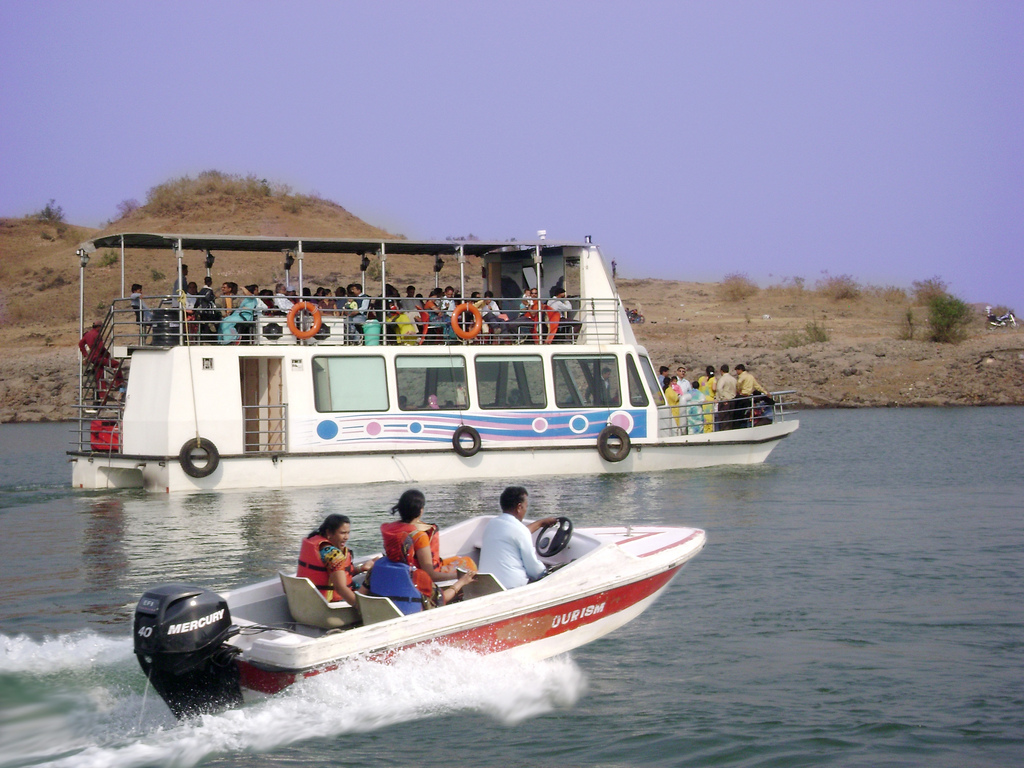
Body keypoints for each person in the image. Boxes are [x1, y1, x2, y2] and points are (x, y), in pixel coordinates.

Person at [377, 489, 476, 608]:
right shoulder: (419, 536)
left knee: (458, 560)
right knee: (468, 564)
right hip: (417, 579)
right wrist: (460, 578)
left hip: (399, 573)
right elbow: (430, 575)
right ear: (420, 511)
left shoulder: (391, 530)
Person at [478, 486, 558, 589]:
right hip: (512, 588)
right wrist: (549, 570)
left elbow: (514, 533)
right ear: (519, 507)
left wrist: (541, 523)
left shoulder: (491, 524)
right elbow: (535, 571)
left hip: (487, 585)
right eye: (526, 506)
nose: (525, 510)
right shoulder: (520, 530)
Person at [297, 514, 376, 605]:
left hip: (306, 602)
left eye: (348, 533)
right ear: (329, 533)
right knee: (371, 583)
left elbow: (337, 575)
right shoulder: (333, 555)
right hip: (326, 606)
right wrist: (364, 609)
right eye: (342, 533)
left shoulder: (315, 543)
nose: (346, 537)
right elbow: (340, 589)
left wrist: (361, 568)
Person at [734, 363, 763, 429]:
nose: (737, 372)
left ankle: (737, 426)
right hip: (748, 397)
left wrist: (738, 390)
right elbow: (757, 386)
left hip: (742, 396)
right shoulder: (750, 376)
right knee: (745, 411)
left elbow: (738, 383)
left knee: (738, 413)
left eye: (737, 371)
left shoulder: (742, 376)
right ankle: (745, 425)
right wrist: (765, 392)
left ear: (740, 370)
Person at [716, 364, 737, 430]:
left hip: (725, 401)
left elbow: (719, 388)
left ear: (721, 371)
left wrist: (722, 398)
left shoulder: (722, 379)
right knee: (730, 419)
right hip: (733, 400)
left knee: (723, 419)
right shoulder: (733, 379)